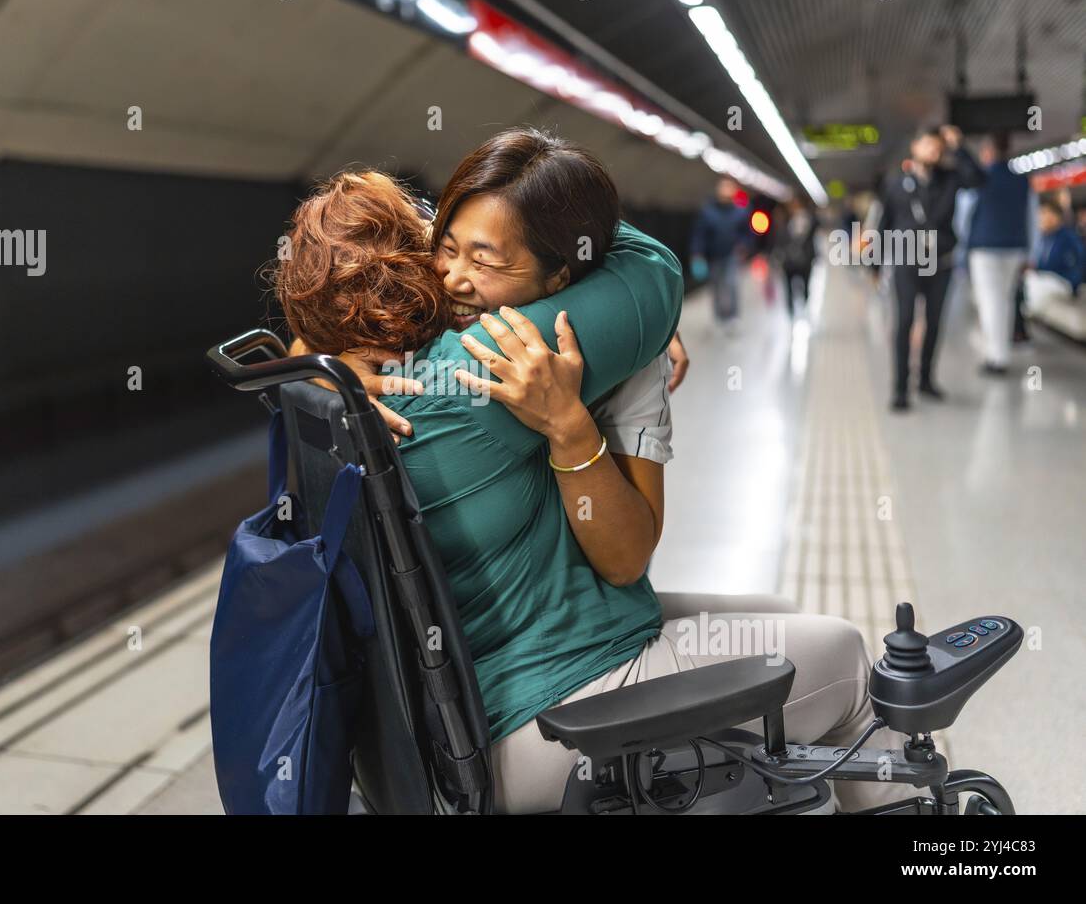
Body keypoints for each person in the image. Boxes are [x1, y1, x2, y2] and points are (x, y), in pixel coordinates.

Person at [273, 129, 913, 814]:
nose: (453, 274)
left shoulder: (318, 391)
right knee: (846, 658)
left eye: (470, 252)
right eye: (441, 247)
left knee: (780, 618)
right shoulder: (484, 362)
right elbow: (654, 273)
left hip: (442, 716)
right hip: (534, 716)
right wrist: (543, 190)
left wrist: (310, 343)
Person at [878, 125, 985, 411]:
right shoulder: (895, 183)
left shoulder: (950, 178)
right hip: (907, 261)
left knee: (935, 323)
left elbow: (978, 179)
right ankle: (900, 388)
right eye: (928, 145)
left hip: (941, 262)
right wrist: (874, 264)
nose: (933, 151)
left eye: (938, 146)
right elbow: (884, 223)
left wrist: (959, 146)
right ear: (914, 147)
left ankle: (925, 380)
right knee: (905, 322)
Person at [966, 132, 1035, 375]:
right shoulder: (1022, 180)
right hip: (1015, 248)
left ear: (987, 152)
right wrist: (1030, 252)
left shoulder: (980, 178)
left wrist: (963, 245)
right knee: (1004, 301)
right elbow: (1031, 217)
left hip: (985, 248)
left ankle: (996, 357)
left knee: (989, 301)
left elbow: (966, 216)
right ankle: (1000, 351)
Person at [690, 176, 750, 332]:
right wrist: (697, 253)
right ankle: (719, 316)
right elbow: (700, 234)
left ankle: (732, 316)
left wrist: (743, 245)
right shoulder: (708, 212)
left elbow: (747, 233)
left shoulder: (740, 212)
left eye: (729, 187)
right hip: (714, 255)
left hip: (731, 255)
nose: (726, 191)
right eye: (724, 187)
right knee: (716, 286)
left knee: (731, 284)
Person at [1017, 199, 1086, 328]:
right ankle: (1020, 321)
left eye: (1045, 213)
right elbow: (1042, 263)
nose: (1041, 218)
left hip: (1065, 281)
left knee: (1034, 287)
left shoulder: (1068, 238)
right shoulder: (1044, 238)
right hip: (1045, 278)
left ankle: (1025, 316)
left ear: (1056, 216)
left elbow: (1075, 266)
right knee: (1025, 281)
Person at [773, 198, 816, 315]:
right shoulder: (784, 222)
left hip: (805, 260)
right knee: (788, 287)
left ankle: (805, 307)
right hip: (789, 261)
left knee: (805, 285)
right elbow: (779, 239)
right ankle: (791, 311)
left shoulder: (810, 220)